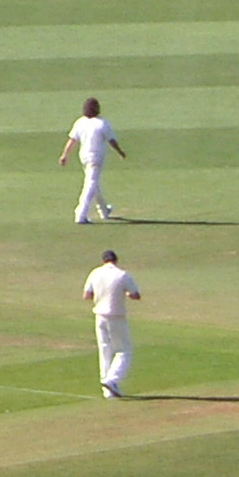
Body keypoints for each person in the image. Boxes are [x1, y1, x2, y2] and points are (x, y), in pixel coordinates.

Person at [83, 248, 141, 397]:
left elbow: (87, 295)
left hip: (99, 316)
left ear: (103, 260)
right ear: (116, 260)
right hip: (116, 316)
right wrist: (125, 293)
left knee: (105, 351)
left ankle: (107, 390)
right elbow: (136, 295)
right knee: (124, 350)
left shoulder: (95, 273)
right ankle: (112, 380)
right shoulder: (122, 275)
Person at [60, 96, 127, 223]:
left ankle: (104, 210)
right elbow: (111, 140)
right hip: (95, 158)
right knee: (90, 184)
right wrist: (120, 152)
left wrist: (65, 155)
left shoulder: (80, 122)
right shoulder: (102, 123)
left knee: (93, 183)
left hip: (84, 157)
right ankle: (80, 214)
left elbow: (72, 140)